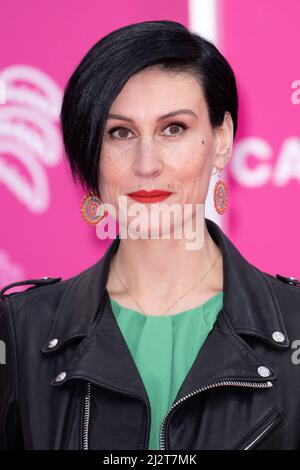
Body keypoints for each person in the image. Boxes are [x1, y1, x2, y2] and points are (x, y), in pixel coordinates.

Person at [1, 20, 300, 451]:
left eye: (173, 128)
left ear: (221, 139)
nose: (147, 164)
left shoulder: (293, 327)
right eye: (120, 132)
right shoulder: (21, 330)